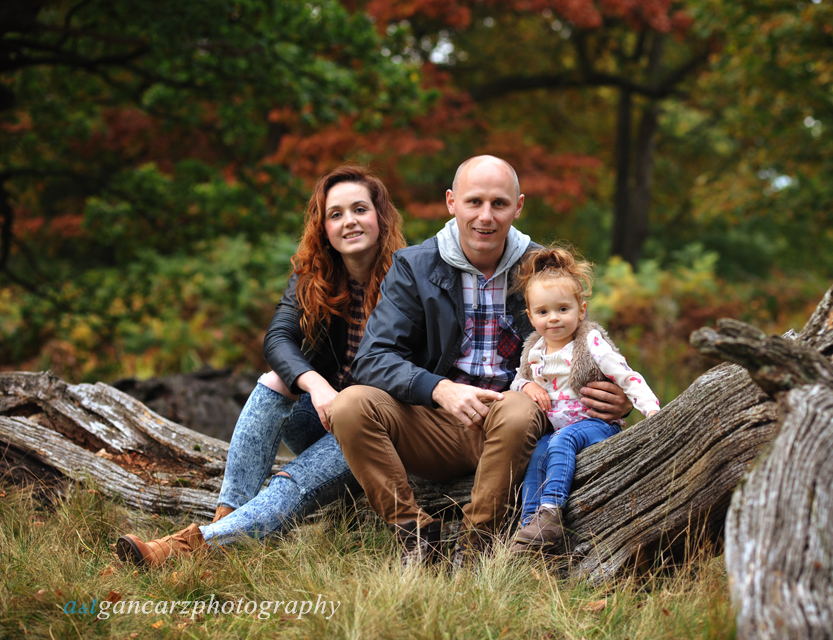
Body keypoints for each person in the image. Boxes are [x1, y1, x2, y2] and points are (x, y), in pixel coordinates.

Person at [328, 155, 632, 567]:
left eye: (499, 204)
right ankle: (415, 536)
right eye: (474, 202)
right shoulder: (415, 266)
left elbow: (585, 343)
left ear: (518, 207)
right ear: (452, 202)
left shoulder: (541, 267)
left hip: (514, 424)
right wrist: (439, 388)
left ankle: (476, 546)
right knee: (349, 404)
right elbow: (373, 359)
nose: (485, 217)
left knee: (521, 408)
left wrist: (617, 396)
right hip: (431, 419)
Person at [115, 165, 406, 568]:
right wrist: (316, 385)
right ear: (323, 227)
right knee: (276, 381)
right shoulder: (315, 277)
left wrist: (347, 402)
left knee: (291, 480)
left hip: (375, 432)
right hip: (324, 415)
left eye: (360, 209)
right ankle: (228, 518)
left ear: (381, 216)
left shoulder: (409, 277)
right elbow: (277, 341)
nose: (349, 221)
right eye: (336, 214)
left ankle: (181, 551)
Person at [507, 246, 660, 553]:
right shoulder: (534, 349)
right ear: (530, 316)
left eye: (563, 309)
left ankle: (551, 511)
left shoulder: (590, 342)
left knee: (561, 440)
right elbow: (516, 382)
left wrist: (652, 411)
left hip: (596, 426)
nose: (553, 319)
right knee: (538, 452)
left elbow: (627, 376)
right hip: (557, 430)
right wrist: (527, 388)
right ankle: (529, 529)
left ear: (581, 309)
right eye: (543, 312)